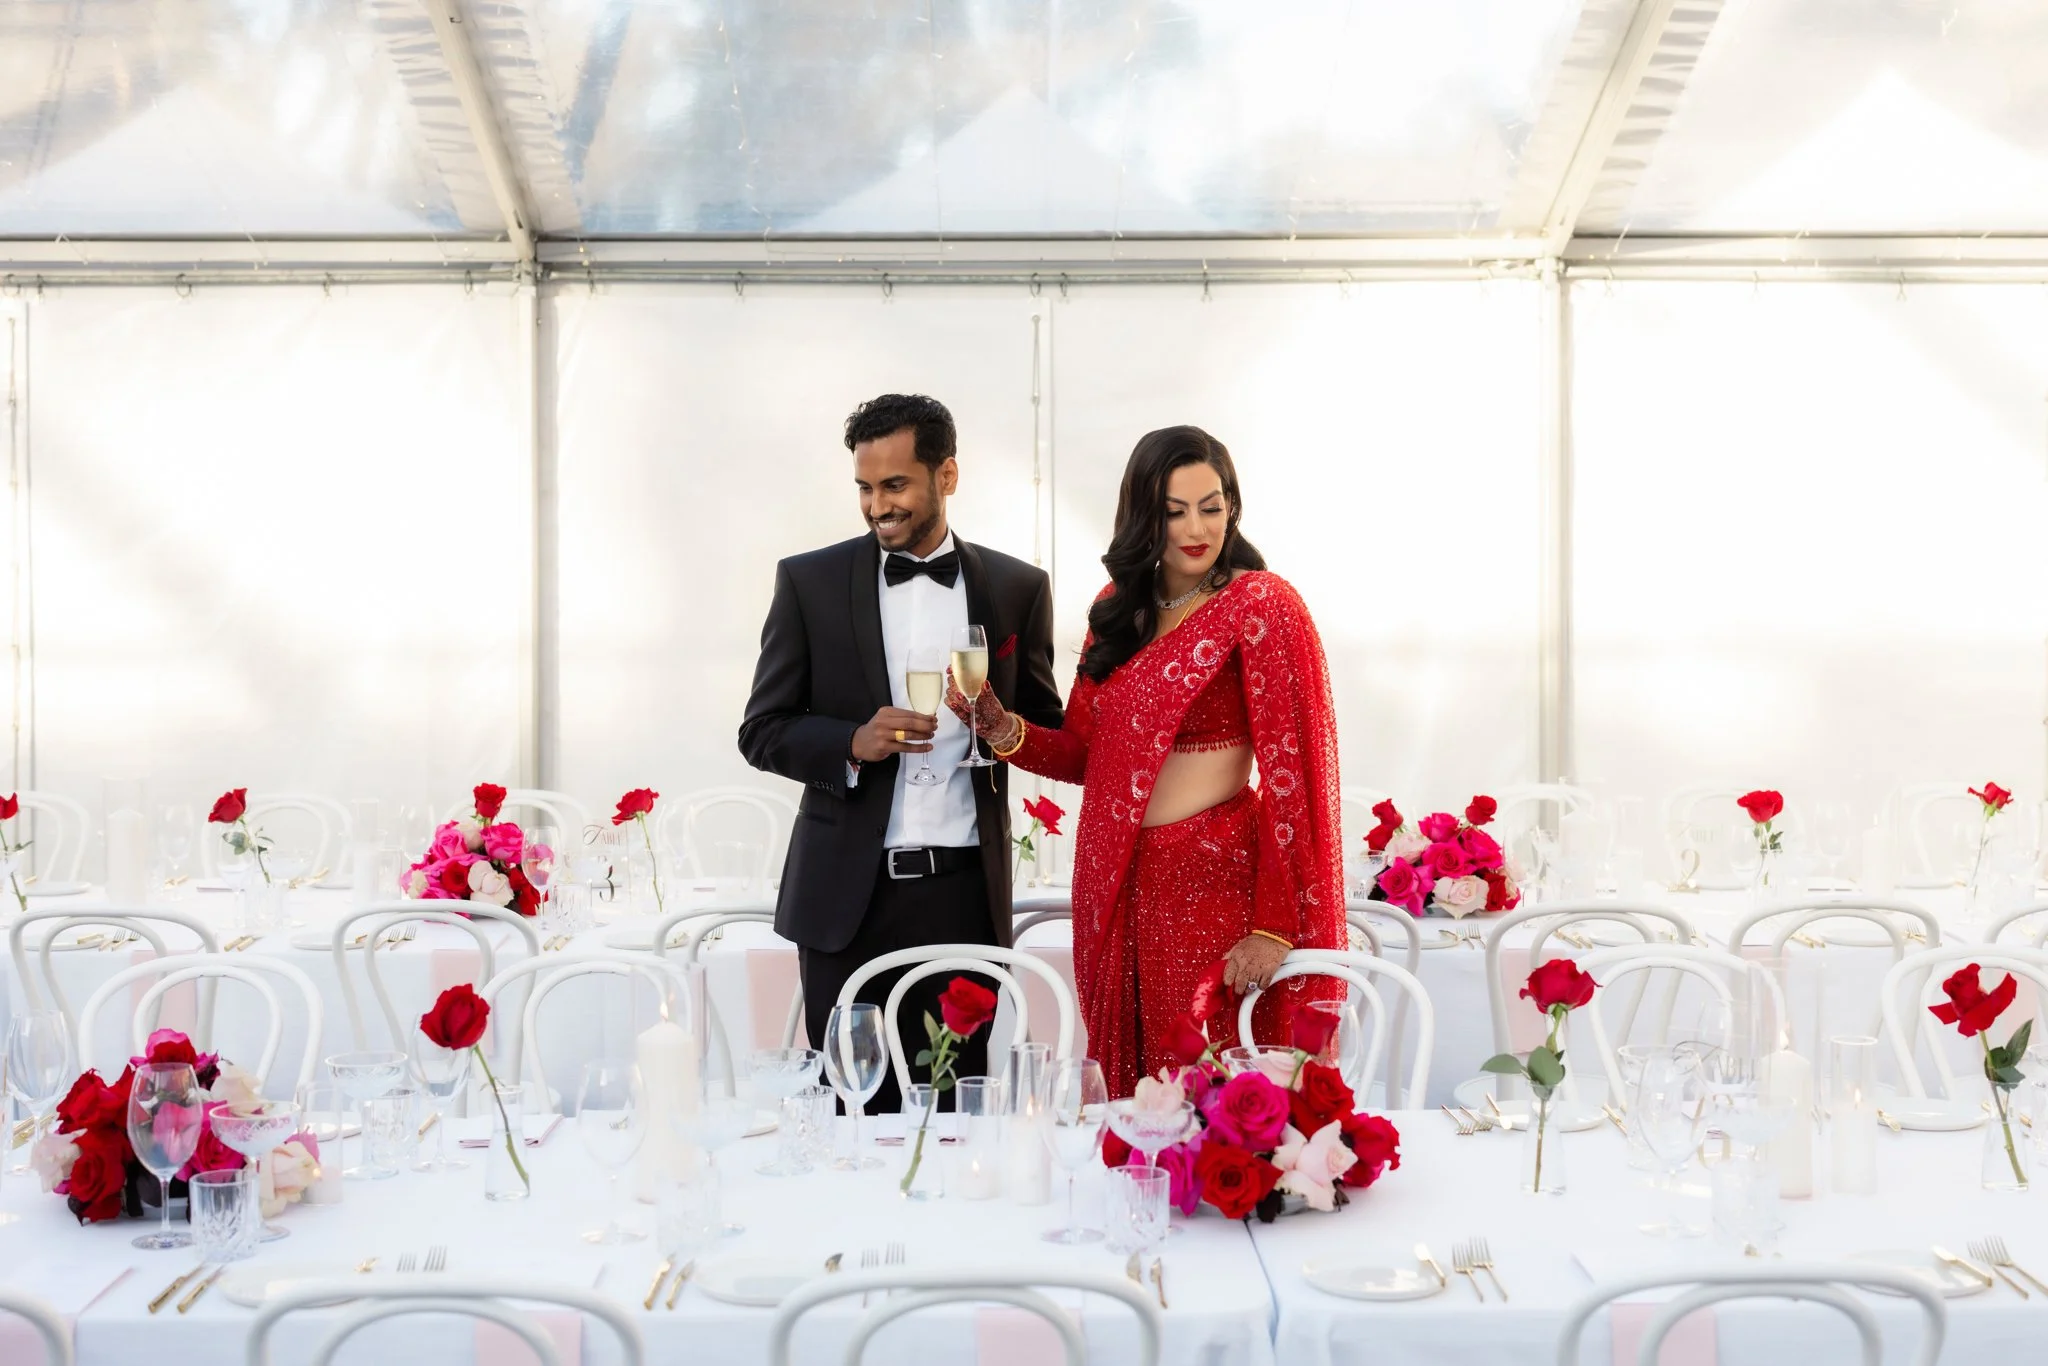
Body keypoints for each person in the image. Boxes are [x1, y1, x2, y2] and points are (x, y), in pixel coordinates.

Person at [948, 425, 1344, 1097]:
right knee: (1136, 1104)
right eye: (1174, 510)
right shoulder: (1117, 610)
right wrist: (1003, 726)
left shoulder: (1259, 605)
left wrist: (1276, 926)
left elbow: (1292, 777)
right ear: (1143, 516)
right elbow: (1085, 757)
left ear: (1232, 507)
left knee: (1205, 1094)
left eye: (1211, 506)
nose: (1197, 527)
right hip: (1122, 889)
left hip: (1214, 885)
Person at [739, 393, 1065, 1112]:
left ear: (946, 476)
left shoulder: (1017, 589)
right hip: (843, 903)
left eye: (895, 485)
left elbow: (1047, 730)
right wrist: (850, 743)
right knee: (852, 1110)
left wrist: (1002, 726)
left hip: (962, 899)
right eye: (864, 486)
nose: (876, 505)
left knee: (954, 1113)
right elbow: (761, 730)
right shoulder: (809, 583)